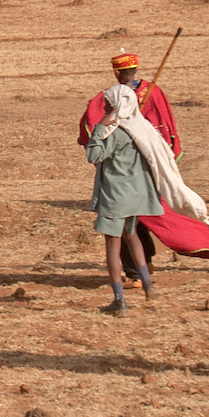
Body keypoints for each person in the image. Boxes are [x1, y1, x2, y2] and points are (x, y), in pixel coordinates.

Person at [84, 84, 162, 316]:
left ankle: (119, 300)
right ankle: (148, 285)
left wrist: (99, 128)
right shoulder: (141, 127)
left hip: (115, 196)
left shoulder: (117, 133)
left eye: (108, 103)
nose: (105, 106)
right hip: (134, 195)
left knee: (113, 246)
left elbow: (93, 155)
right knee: (132, 236)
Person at [77, 49, 181, 156]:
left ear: (117, 73)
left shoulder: (113, 94)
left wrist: (87, 136)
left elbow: (92, 115)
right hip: (154, 146)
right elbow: (165, 118)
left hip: (126, 149)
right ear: (135, 70)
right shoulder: (153, 90)